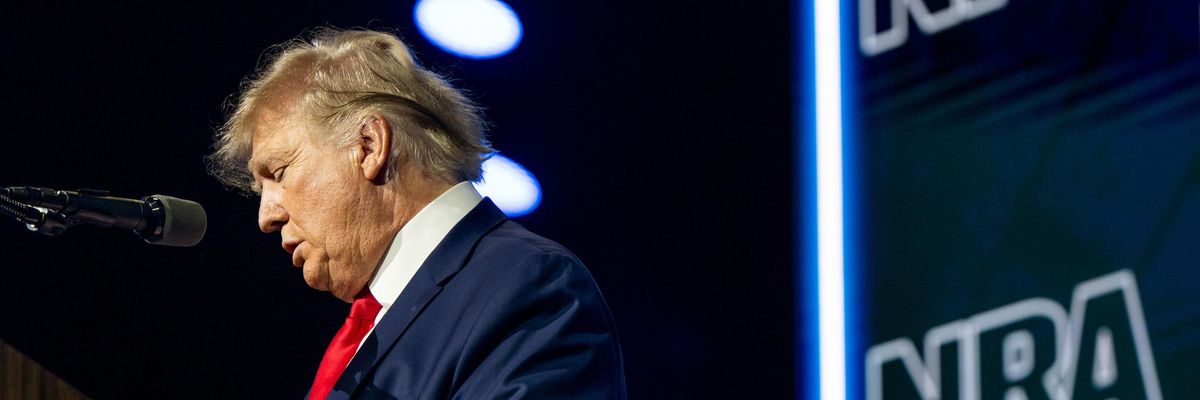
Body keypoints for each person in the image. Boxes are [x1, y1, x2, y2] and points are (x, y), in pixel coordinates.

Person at [207, 27, 626, 399]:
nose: (266, 217)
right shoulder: (368, 328)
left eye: (279, 174)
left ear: (369, 146)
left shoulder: (529, 283)